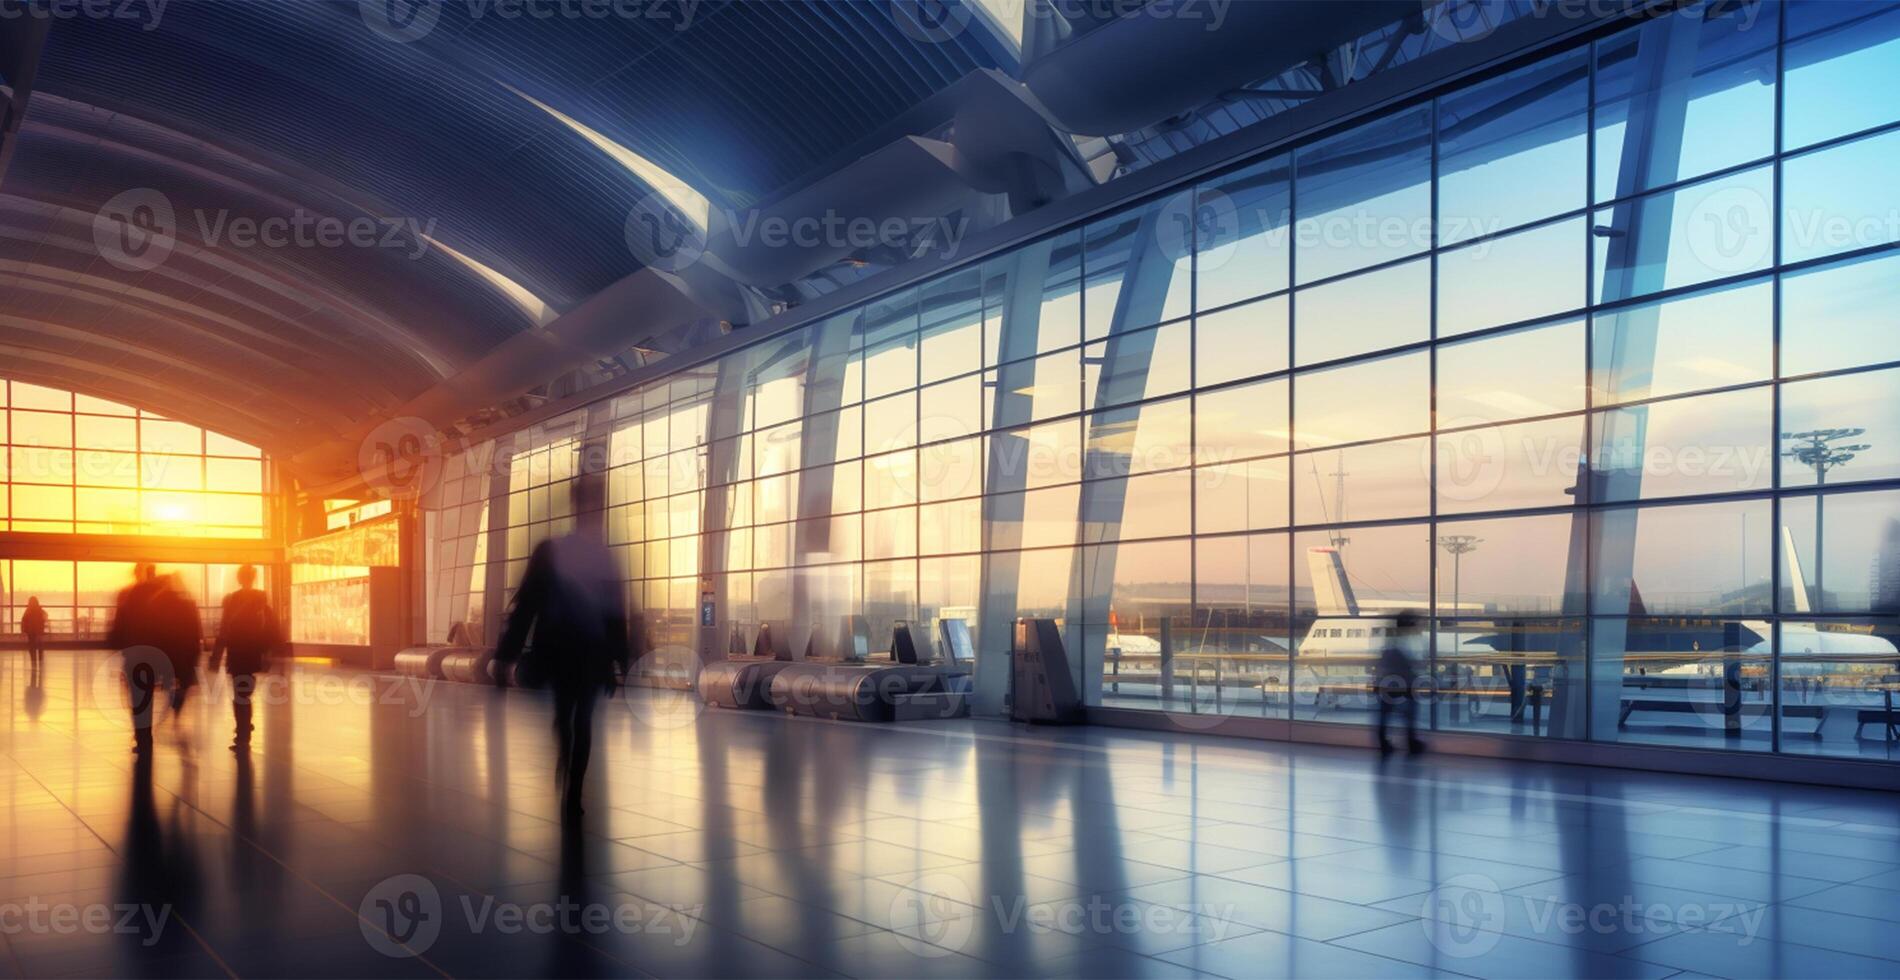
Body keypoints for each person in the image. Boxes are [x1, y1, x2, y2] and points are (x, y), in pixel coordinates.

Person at [493, 478, 630, 817]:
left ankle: (570, 777)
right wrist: (620, 660)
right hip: (585, 652)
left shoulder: (555, 552)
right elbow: (616, 616)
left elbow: (525, 606)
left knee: (570, 715)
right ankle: (573, 784)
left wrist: (506, 655)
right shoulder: (601, 559)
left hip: (565, 651)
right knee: (579, 718)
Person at [209, 565, 281, 752]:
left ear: (240, 578)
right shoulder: (261, 600)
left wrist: (216, 657)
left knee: (240, 695)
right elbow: (272, 629)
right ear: (254, 577)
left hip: (237, 653)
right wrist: (268, 654)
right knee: (244, 694)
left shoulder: (232, 600)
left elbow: (224, 628)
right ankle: (244, 728)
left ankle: (243, 732)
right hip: (253, 654)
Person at [107, 564, 169, 754]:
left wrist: (116, 646)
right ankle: (146, 734)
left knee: (137, 697)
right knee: (148, 694)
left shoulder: (129, 594)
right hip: (154, 654)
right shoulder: (161, 595)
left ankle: (142, 735)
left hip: (134, 654)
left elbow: (120, 624)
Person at [1376, 611, 1426, 755]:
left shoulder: (1392, 638)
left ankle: (1385, 743)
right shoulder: (1407, 640)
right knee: (1409, 714)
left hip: (1388, 682)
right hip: (1403, 682)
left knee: (1385, 714)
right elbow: (1409, 662)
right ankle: (1411, 743)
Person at [20, 597, 48, 674]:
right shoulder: (39, 610)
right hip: (38, 630)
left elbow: (23, 620)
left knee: (31, 646)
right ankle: (40, 661)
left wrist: (23, 630)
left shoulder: (28, 610)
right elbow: (44, 617)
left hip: (31, 631)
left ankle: (33, 661)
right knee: (39, 646)